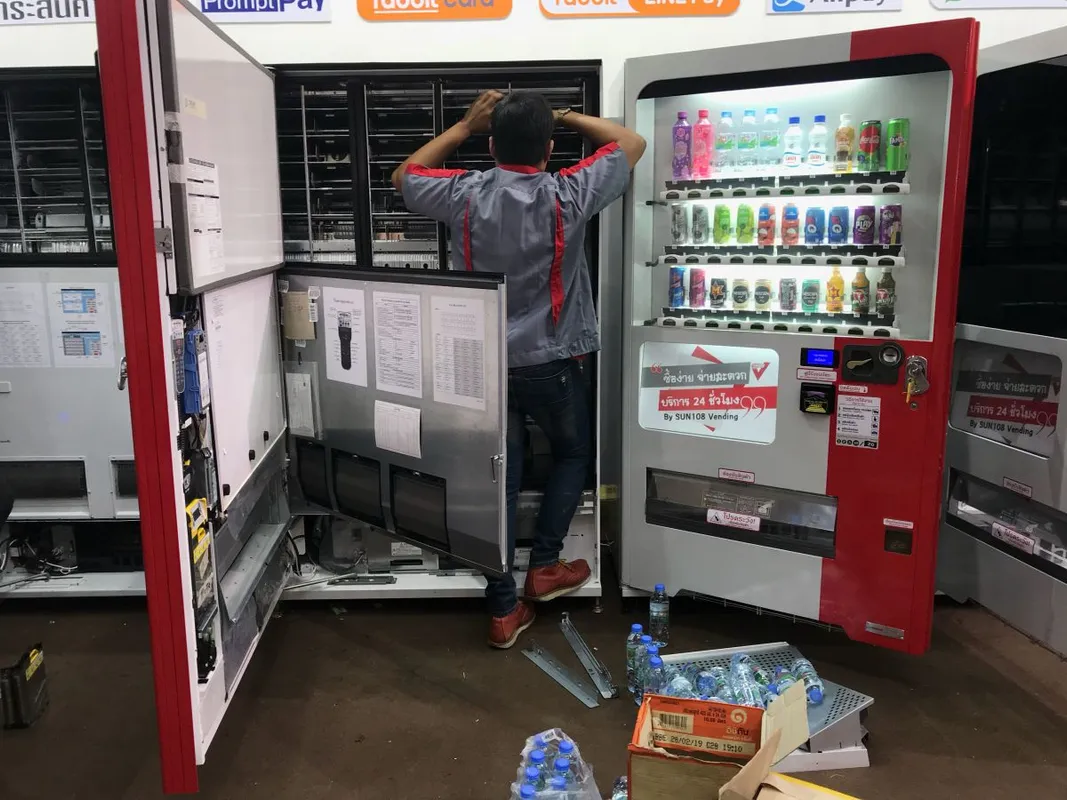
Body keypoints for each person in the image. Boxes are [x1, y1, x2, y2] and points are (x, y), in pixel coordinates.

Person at [392, 90, 646, 649]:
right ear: (550, 150)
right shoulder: (569, 192)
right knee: (573, 453)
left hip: (479, 366)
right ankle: (546, 564)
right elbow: (632, 142)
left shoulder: (463, 192)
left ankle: (504, 610)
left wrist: (462, 126)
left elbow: (404, 177)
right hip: (550, 361)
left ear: (490, 146)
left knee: (498, 478)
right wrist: (565, 115)